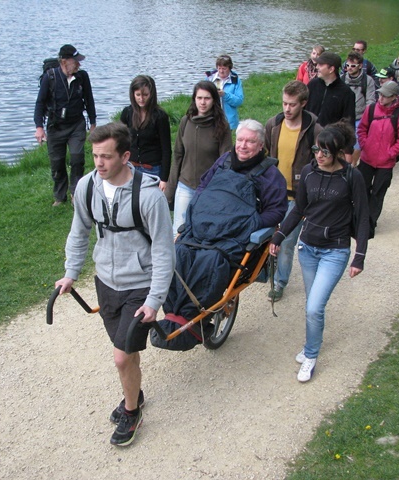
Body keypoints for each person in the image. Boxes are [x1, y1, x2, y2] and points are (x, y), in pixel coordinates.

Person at [54, 122, 175, 446]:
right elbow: (79, 232)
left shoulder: (150, 198)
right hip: (106, 282)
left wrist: (154, 300)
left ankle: (131, 411)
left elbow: (164, 251)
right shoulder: (86, 187)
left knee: (121, 356)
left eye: (106, 157)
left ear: (125, 156)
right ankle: (134, 389)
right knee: (127, 351)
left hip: (140, 284)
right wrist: (71, 273)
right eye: (95, 156)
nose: (99, 163)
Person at [156, 120, 287, 346]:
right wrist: (194, 214)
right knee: (178, 255)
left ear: (260, 145)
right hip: (202, 227)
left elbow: (277, 210)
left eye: (250, 141)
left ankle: (196, 319)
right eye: (240, 140)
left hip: (232, 236)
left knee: (210, 262)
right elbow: (203, 189)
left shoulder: (271, 175)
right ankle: (174, 313)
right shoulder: (223, 162)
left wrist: (251, 223)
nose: (243, 145)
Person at [269, 121, 369, 383]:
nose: (319, 156)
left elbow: (362, 217)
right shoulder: (308, 173)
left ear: (337, 152)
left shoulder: (352, 177)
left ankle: (311, 355)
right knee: (312, 305)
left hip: (334, 251)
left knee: (314, 307)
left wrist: (359, 256)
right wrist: (279, 236)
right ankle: (311, 344)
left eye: (325, 151)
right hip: (308, 249)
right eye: (316, 150)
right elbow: (299, 210)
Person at [264, 80, 323, 302]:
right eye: (284, 103)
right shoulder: (273, 125)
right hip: (273, 193)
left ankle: (280, 282)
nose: (287, 109)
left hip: (297, 198)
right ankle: (265, 269)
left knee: (286, 242)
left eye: (292, 105)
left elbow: (320, 163)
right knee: (267, 235)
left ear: (304, 104)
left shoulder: (314, 130)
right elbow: (265, 155)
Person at [165, 81, 232, 236]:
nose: (202, 102)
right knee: (179, 230)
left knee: (204, 232)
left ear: (214, 100)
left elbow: (226, 162)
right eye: (199, 98)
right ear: (194, 99)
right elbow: (177, 156)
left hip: (209, 188)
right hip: (185, 185)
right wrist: (170, 189)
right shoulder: (185, 121)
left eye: (207, 98)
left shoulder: (222, 126)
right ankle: (178, 260)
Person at [34, 44, 96, 206]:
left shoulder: (82, 77)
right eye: (75, 61)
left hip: (76, 124)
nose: (79, 64)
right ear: (64, 61)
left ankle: (76, 192)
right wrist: (39, 127)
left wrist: (93, 123)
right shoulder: (50, 77)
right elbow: (40, 103)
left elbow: (89, 101)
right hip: (56, 126)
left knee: (77, 158)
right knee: (57, 162)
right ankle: (59, 196)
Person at [357, 82, 399, 238]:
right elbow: (362, 129)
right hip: (367, 159)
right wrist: (365, 145)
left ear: (394, 97)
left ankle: (370, 225)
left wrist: (390, 153)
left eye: (385, 96)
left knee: (378, 194)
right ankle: (360, 220)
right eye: (380, 94)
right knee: (362, 190)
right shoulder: (371, 109)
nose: (381, 98)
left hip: (385, 164)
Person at [119, 75, 171, 191]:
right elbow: (120, 140)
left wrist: (164, 178)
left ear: (151, 94)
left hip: (152, 169)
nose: (141, 99)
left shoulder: (160, 117)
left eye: (145, 95)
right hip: (131, 167)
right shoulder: (127, 112)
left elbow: (166, 149)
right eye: (138, 95)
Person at [341, 51, 376, 165]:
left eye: (353, 66)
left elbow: (370, 101)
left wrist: (367, 119)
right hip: (344, 118)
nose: (349, 68)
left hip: (360, 117)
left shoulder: (368, 80)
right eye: (347, 65)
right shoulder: (342, 79)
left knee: (357, 144)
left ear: (360, 66)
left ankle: (352, 165)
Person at [306, 51, 356, 127]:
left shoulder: (346, 93)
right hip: (309, 134)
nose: (317, 67)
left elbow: (348, 124)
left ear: (331, 69)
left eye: (321, 65)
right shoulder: (312, 85)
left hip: (330, 137)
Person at [206, 55, 244, 130]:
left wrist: (225, 95)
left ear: (230, 68)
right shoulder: (210, 79)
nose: (221, 71)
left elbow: (239, 101)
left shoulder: (235, 80)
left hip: (229, 122)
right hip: (212, 119)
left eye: (224, 68)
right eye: (219, 68)